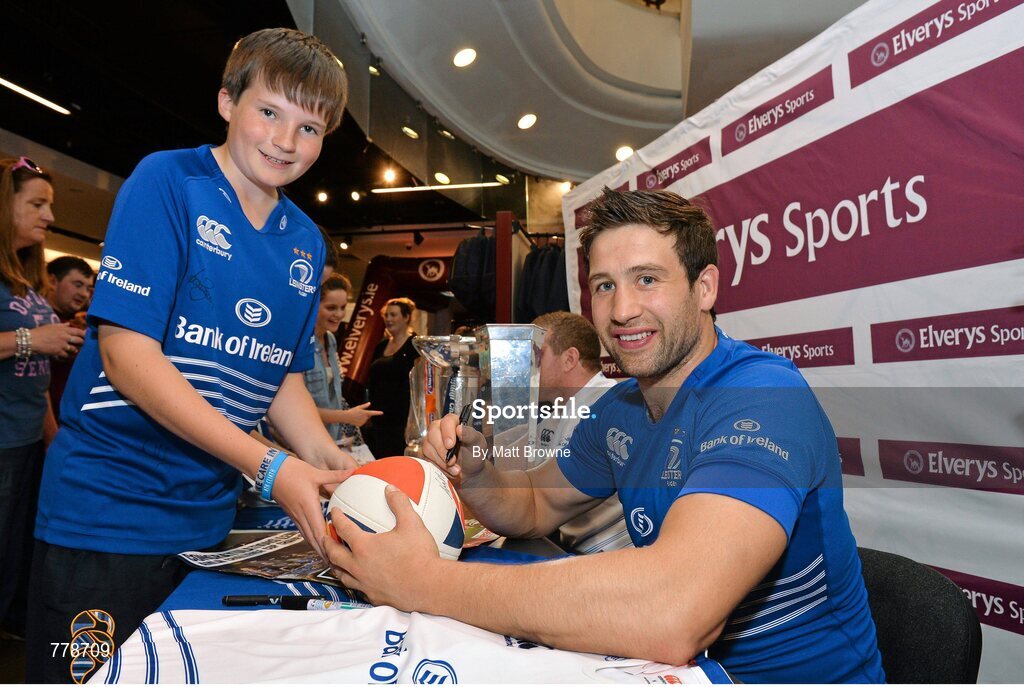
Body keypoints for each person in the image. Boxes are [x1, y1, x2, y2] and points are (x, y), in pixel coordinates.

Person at [324, 188, 885, 683]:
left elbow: (673, 613)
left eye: (647, 279)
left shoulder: (763, 396)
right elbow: (536, 504)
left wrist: (424, 583)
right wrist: (478, 473)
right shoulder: (623, 407)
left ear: (705, 286)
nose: (622, 310)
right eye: (603, 285)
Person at [27, 28, 356, 683]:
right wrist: (270, 466)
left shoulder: (307, 242)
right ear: (228, 102)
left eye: (310, 128)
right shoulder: (169, 181)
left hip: (207, 527)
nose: (286, 142)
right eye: (270, 112)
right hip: (107, 518)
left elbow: (281, 375)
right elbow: (126, 356)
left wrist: (329, 460)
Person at [0, 158, 86, 637]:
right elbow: (31, 350)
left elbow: (34, 380)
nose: (49, 216)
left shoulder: (24, 280)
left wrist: (53, 438)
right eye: (36, 204)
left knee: (15, 556)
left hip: (28, 438)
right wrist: (36, 341)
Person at [528, 311, 627, 554]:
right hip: (571, 548)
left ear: (570, 359)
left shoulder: (606, 405)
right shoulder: (558, 410)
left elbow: (538, 497)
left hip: (611, 557)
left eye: (535, 358)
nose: (526, 369)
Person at [304, 274, 380, 462]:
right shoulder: (301, 343)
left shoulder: (330, 339)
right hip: (305, 444)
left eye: (342, 308)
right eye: (331, 308)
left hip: (333, 441)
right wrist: (347, 417)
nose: (338, 314)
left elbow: (333, 397)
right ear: (314, 305)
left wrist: (343, 434)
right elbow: (297, 410)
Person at [366, 296, 418, 458]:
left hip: (402, 419)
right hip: (379, 419)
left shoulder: (414, 345)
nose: (388, 319)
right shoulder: (381, 345)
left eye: (393, 315)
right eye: (386, 315)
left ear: (406, 317)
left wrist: (413, 422)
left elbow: (419, 384)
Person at [45, 255, 94, 421]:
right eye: (77, 285)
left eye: (88, 288)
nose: (84, 294)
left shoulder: (79, 325)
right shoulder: (37, 322)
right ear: (52, 281)